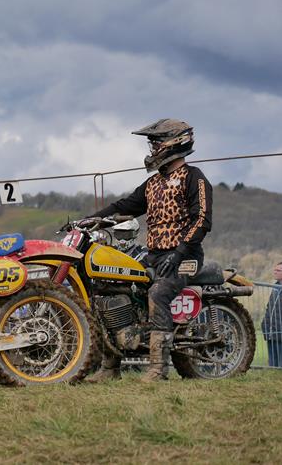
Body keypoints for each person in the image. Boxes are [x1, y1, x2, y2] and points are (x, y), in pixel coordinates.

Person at [84, 119, 212, 383]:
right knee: (112, 288)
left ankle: (158, 368)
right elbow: (125, 206)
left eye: (156, 142)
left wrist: (179, 253)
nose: (152, 148)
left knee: (158, 293)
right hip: (153, 253)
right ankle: (110, 367)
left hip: (185, 256)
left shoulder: (193, 177)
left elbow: (201, 220)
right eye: (151, 144)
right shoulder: (153, 184)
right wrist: (90, 220)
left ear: (175, 142)